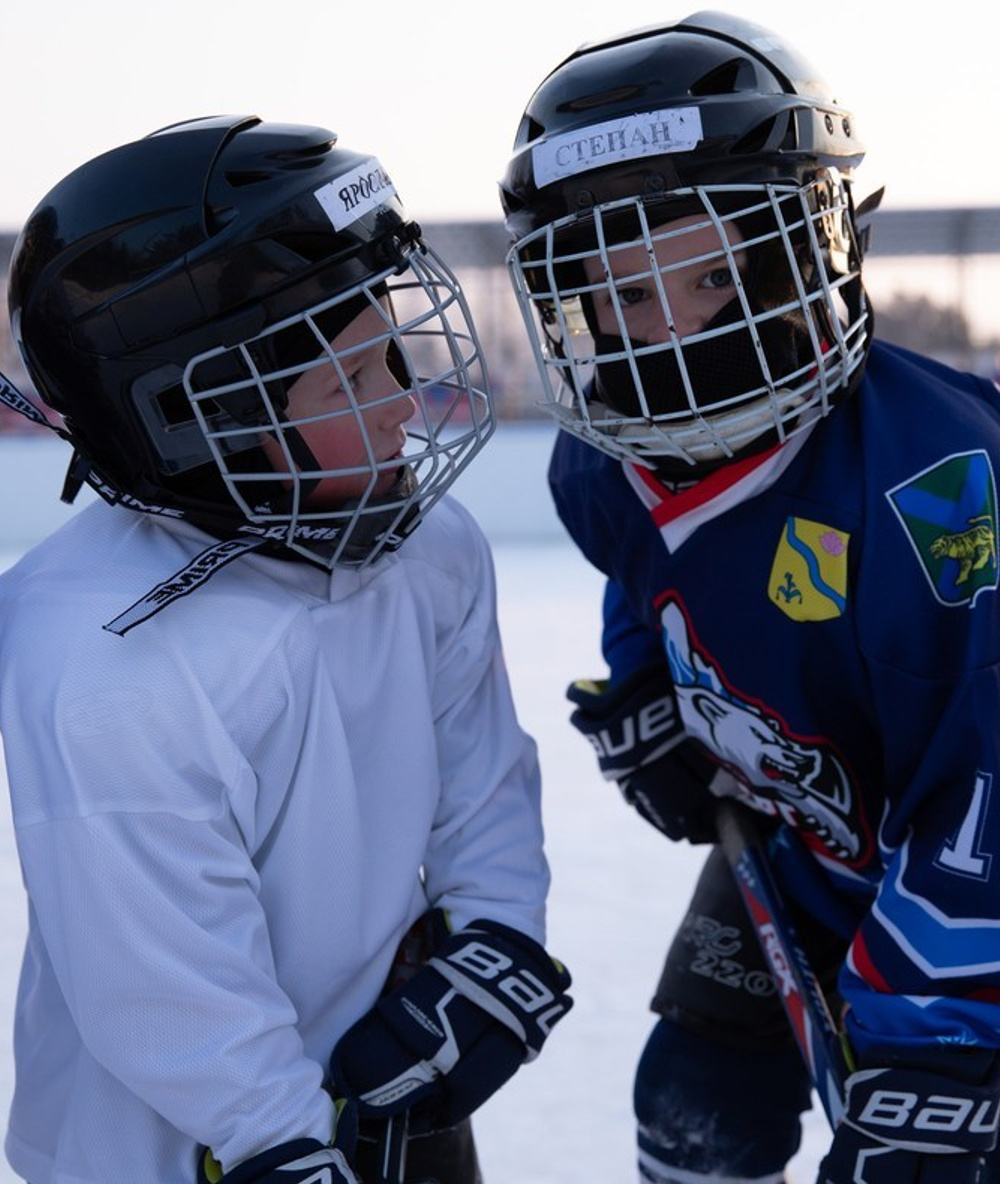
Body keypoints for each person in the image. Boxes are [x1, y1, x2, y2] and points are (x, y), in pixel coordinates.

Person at [498, 12, 1000, 1183]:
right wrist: (651, 690)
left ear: (803, 248)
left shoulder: (935, 484)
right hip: (817, 825)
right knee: (692, 1105)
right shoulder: (603, 459)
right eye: (621, 293)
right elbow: (649, 574)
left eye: (711, 274)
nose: (665, 339)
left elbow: (995, 775)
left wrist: (931, 1046)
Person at [0, 115, 572, 1184]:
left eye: (390, 352)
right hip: (179, 1151)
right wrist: (283, 1139)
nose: (407, 402)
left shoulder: (424, 543)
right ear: (192, 417)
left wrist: (499, 926)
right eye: (348, 383)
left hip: (395, 1082)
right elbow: (161, 982)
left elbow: (478, 776)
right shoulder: (99, 663)